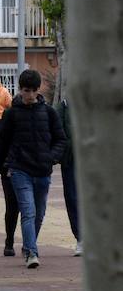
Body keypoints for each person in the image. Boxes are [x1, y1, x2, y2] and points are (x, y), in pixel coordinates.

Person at [0, 69, 66, 268]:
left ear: (38, 90)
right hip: (19, 170)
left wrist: (52, 157)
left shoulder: (49, 113)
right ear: (20, 90)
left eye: (32, 91)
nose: (29, 95)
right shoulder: (11, 114)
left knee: (39, 214)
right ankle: (32, 252)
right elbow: (2, 143)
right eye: (25, 90)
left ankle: (28, 244)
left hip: (43, 170)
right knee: (28, 211)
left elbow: (61, 139)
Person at [56, 98, 81, 256]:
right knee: (72, 197)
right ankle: (81, 238)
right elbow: (57, 132)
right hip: (70, 159)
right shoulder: (64, 105)